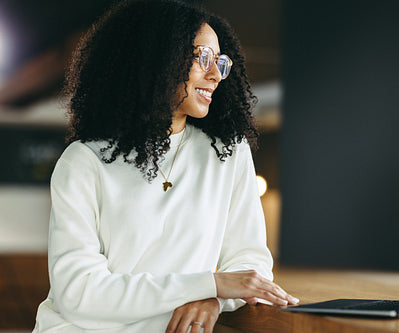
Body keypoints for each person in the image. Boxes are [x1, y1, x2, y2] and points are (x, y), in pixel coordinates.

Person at [33, 1, 298, 332]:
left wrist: (212, 298)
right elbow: (79, 294)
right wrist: (210, 285)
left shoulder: (227, 154)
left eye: (220, 62)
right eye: (202, 58)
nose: (215, 74)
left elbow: (250, 264)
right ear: (157, 59)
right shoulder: (84, 161)